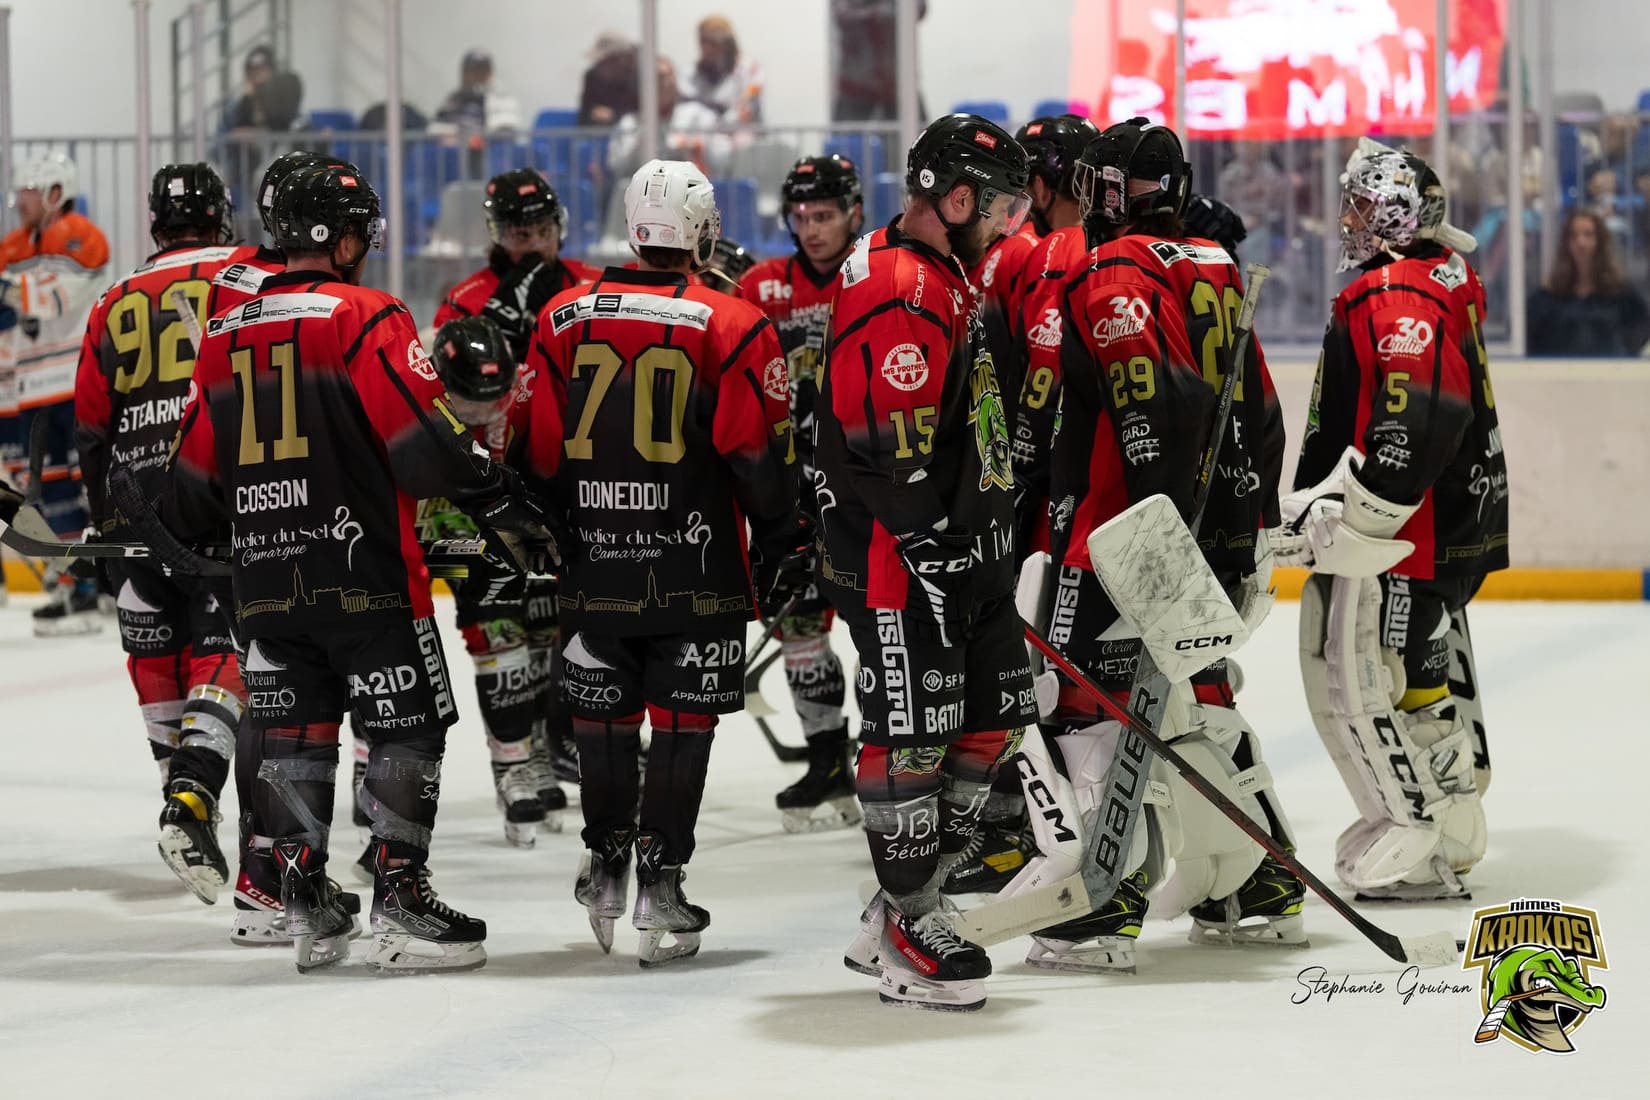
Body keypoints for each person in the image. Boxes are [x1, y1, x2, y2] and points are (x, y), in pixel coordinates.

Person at [162, 161, 552, 973]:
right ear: (336, 240)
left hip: (267, 580)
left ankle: (306, 897)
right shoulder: (365, 315)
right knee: (409, 725)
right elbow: (423, 441)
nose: (364, 249)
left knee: (294, 731)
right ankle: (400, 898)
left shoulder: (227, 331)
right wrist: (500, 495)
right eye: (358, 234)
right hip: (366, 572)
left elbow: (192, 484)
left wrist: (176, 529)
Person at [1029, 117, 1301, 973]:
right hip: (1213, 524)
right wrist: (1244, 520)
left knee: (1080, 703)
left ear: (1111, 192)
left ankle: (1102, 902)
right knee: (1196, 699)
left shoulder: (1113, 269)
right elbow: (1261, 414)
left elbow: (1157, 406)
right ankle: (1252, 883)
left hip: (1127, 535)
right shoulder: (1217, 265)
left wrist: (1158, 534)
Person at [522, 159, 805, 967]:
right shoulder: (732, 321)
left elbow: (534, 447)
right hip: (696, 561)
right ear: (704, 231)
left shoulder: (563, 315)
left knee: (605, 719)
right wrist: (785, 540)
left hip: (596, 559)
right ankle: (664, 884)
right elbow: (758, 455)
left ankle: (606, 862)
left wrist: (554, 527)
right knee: (682, 726)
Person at [815, 114, 1037, 1012]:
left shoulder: (937, 273)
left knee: (992, 724)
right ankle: (910, 919)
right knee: (914, 730)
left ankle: (902, 905)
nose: (1010, 221)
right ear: (954, 197)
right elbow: (879, 444)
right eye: (1000, 204)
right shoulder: (899, 286)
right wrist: (927, 550)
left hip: (961, 552)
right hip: (905, 561)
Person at [1284, 138, 1504, 902]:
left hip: (1415, 532)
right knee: (1418, 668)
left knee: (1384, 669)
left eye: (1359, 203)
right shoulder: (1438, 274)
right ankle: (1455, 822)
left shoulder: (1396, 293)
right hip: (1451, 519)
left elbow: (1416, 419)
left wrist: (1370, 515)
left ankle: (1432, 836)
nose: (1345, 217)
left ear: (1396, 214)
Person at [71, 163, 245, 904]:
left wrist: (102, 524)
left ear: (154, 225)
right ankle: (192, 797)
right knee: (224, 646)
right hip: (215, 490)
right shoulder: (247, 274)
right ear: (219, 217)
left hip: (130, 500)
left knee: (156, 654)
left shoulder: (111, 298)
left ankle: (184, 798)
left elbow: (89, 426)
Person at [937, 114, 1099, 900]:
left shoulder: (1031, 256)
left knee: (1018, 675)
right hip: (1076, 496)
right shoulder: (1080, 253)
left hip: (1025, 499)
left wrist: (1008, 486)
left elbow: (1028, 386)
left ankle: (1011, 831)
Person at [737, 155, 863, 833]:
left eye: (824, 215)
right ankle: (826, 758)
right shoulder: (763, 286)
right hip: (789, 492)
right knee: (801, 631)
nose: (811, 229)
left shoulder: (874, 273)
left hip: (866, 491)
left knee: (881, 632)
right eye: (801, 217)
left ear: (853, 213)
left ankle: (886, 755)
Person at [417, 315, 567, 846]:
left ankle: (539, 751)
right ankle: (513, 766)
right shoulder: (415, 394)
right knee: (498, 628)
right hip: (441, 530)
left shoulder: (528, 391)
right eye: (471, 404)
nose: (483, 415)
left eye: (493, 401)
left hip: (512, 516)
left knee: (546, 628)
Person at [0, 151, 111, 633]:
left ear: (52, 191)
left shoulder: (84, 238)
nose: (20, 201)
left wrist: (10, 288)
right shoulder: (11, 246)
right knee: (48, 493)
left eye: (28, 191)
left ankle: (105, 578)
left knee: (92, 485)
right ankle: (77, 584)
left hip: (76, 380)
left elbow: (57, 298)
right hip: (31, 388)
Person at [432, 169, 600, 364]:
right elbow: (448, 377)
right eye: (522, 235)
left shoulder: (594, 283)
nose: (537, 245)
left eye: (545, 232)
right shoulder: (463, 302)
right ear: (499, 237)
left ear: (560, 227)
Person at [1526, 208, 1650, 357]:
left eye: (1588, 234)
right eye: (1573, 236)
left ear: (1600, 241)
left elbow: (1641, 328)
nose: (1581, 242)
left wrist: (1621, 352)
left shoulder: (1621, 294)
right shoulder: (1547, 297)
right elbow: (1532, 338)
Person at [608, 58, 728, 180]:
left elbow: (723, 156)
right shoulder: (630, 123)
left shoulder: (698, 115)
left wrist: (699, 146)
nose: (665, 83)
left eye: (669, 76)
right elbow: (617, 166)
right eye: (659, 78)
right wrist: (640, 143)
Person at [680, 15, 763, 123]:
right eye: (703, 42)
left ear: (728, 44)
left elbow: (749, 103)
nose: (707, 49)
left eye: (713, 43)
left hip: (740, 131)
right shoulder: (690, 74)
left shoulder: (751, 69)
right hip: (703, 132)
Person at [224, 45, 303, 133]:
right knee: (230, 107)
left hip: (277, 137)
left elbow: (280, 124)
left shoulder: (283, 90)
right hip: (253, 142)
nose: (257, 74)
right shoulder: (244, 102)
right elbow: (239, 130)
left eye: (262, 69)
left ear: (271, 70)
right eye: (252, 70)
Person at [578, 33, 640, 127]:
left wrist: (615, 115)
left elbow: (652, 116)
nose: (598, 66)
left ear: (623, 60)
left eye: (604, 61)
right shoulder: (593, 77)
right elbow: (584, 119)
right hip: (598, 137)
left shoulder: (645, 78)